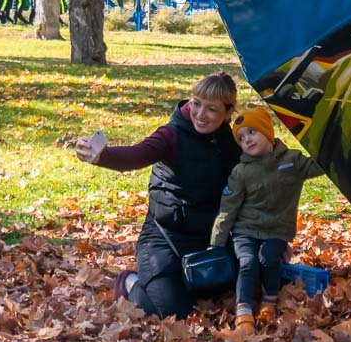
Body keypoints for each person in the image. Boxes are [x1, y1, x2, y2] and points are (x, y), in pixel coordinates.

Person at [73, 71, 242, 319]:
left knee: (241, 282)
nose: (200, 114)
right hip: (164, 236)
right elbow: (137, 154)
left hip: (208, 237)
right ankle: (129, 282)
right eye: (196, 103)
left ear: (228, 113)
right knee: (169, 310)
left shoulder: (231, 141)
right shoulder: (172, 135)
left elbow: (255, 180)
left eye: (211, 109)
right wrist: (100, 156)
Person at [210, 107, 325, 334]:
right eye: (241, 138)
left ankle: (269, 303)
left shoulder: (292, 161)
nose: (247, 140)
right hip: (246, 229)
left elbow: (321, 166)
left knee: (269, 258)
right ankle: (243, 312)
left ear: (268, 132)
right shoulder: (241, 172)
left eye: (252, 132)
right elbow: (228, 209)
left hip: (276, 230)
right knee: (248, 261)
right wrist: (216, 243)